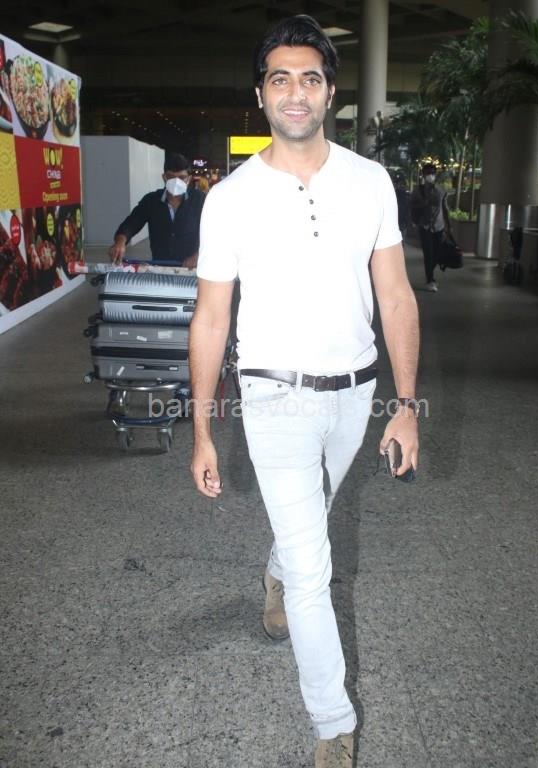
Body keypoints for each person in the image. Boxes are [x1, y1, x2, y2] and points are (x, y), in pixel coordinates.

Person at [189, 15, 420, 768]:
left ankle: (278, 567)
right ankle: (333, 722)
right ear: (261, 94)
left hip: (356, 395)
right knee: (316, 570)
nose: (296, 92)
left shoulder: (370, 182)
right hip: (273, 396)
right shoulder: (230, 198)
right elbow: (212, 317)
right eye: (280, 78)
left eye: (310, 78)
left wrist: (406, 406)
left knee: (310, 522)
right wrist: (202, 431)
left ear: (330, 93)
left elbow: (396, 297)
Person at [108, 152, 204, 267]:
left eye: (181, 177)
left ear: (189, 178)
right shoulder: (151, 201)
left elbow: (217, 231)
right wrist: (120, 241)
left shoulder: (201, 201)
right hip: (160, 267)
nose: (176, 181)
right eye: (171, 177)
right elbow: (131, 223)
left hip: (192, 269)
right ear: (164, 177)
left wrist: (199, 255)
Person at [409, 162, 451, 292]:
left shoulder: (441, 190)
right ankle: (430, 280)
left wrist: (449, 226)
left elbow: (445, 208)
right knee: (428, 254)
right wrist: (423, 204)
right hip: (425, 226)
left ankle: (429, 273)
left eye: (432, 173)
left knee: (437, 254)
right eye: (427, 173)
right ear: (423, 175)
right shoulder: (418, 190)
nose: (430, 176)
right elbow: (411, 205)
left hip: (439, 226)